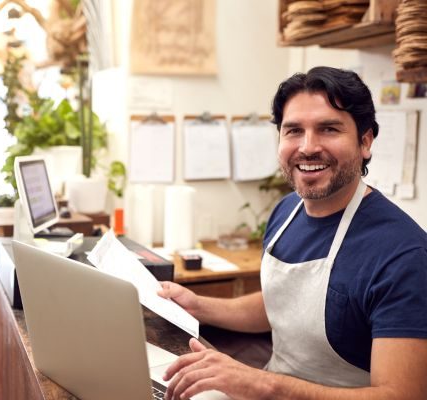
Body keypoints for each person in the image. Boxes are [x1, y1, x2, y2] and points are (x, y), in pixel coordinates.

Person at [158, 66, 427, 400]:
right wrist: (198, 306)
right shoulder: (287, 211)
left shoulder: (404, 255)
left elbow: (403, 396)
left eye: (329, 129)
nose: (308, 147)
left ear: (365, 141)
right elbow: (282, 304)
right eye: (294, 130)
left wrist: (261, 384)